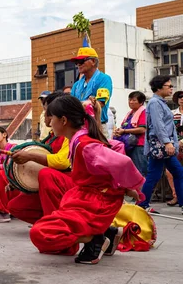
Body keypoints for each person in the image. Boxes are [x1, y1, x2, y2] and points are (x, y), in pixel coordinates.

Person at [30, 95, 144, 264]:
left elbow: (122, 161)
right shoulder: (76, 139)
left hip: (98, 202)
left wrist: (129, 187)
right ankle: (107, 233)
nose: (48, 121)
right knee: (42, 230)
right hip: (85, 197)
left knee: (41, 233)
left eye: (50, 117)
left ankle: (95, 239)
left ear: (63, 120)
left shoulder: (85, 145)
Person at [1, 92, 73, 225]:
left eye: (47, 111)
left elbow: (63, 162)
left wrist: (29, 156)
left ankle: (57, 226)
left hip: (72, 184)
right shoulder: (52, 136)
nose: (46, 116)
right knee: (16, 206)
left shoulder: (72, 135)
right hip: (54, 182)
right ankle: (50, 223)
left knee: (46, 174)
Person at [137, 76, 183, 214]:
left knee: (178, 172)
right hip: (161, 146)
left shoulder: (161, 103)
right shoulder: (155, 103)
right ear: (159, 88)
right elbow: (158, 125)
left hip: (163, 146)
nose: (171, 88)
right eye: (168, 86)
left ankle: (182, 202)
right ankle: (142, 204)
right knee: (154, 175)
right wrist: (168, 143)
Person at [70, 46, 113, 136]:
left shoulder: (104, 79)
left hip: (97, 126)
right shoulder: (76, 85)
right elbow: (70, 105)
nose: (78, 64)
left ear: (93, 61)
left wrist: (80, 105)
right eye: (77, 62)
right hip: (79, 127)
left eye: (81, 61)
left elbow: (100, 103)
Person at [113, 91, 147, 176]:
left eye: (134, 100)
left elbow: (143, 129)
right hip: (129, 145)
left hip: (139, 145)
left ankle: (141, 189)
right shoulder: (130, 113)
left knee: (139, 171)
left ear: (141, 102)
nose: (131, 102)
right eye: (129, 100)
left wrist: (124, 131)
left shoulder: (144, 112)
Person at [165, 91, 183, 205]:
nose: (182, 99)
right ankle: (176, 195)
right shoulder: (172, 113)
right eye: (180, 97)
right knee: (170, 171)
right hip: (175, 145)